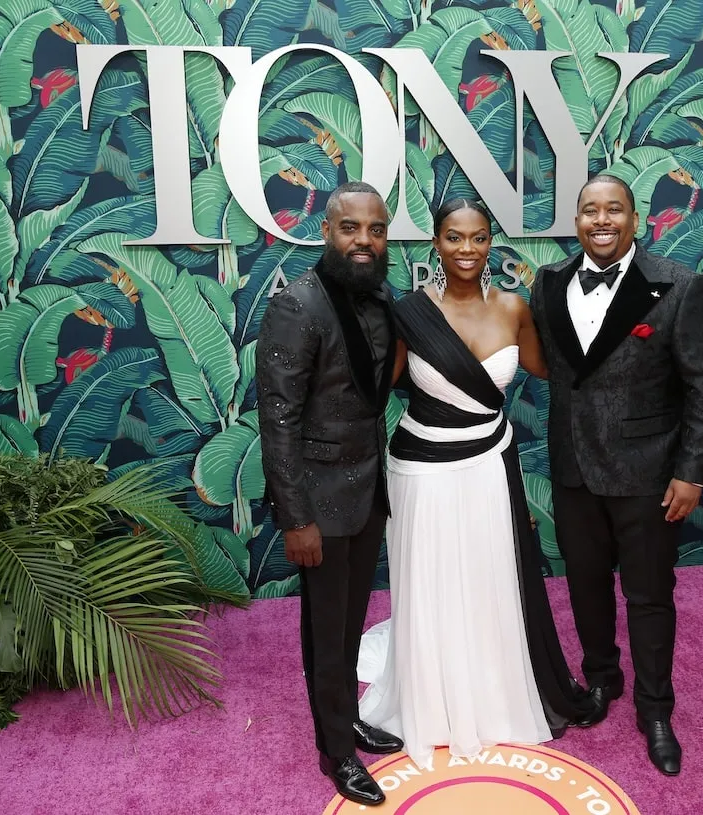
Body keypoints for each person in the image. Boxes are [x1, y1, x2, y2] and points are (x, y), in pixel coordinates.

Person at [356, 198, 593, 770]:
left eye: (480, 238)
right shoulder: (409, 311)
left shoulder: (514, 308)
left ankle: (492, 690)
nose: (467, 249)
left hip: (490, 464)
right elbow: (376, 386)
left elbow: (553, 369)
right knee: (433, 578)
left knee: (489, 577)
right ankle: (432, 697)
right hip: (422, 469)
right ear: (435, 243)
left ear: (492, 243)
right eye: (455, 238)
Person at [529, 174, 703, 776]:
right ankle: (600, 681)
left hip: (649, 473)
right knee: (585, 586)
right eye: (589, 210)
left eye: (613, 209)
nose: (601, 221)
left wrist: (692, 473)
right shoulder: (549, 284)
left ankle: (656, 709)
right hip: (573, 470)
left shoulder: (679, 285)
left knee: (648, 596)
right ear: (577, 220)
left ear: (635, 218)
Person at [255, 181, 405, 808]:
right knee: (327, 627)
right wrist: (296, 518)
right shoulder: (298, 305)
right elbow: (278, 419)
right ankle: (336, 752)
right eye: (351, 228)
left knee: (347, 626)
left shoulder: (381, 299)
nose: (364, 240)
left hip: (368, 492)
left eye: (375, 229)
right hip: (317, 501)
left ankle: (341, 723)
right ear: (327, 231)